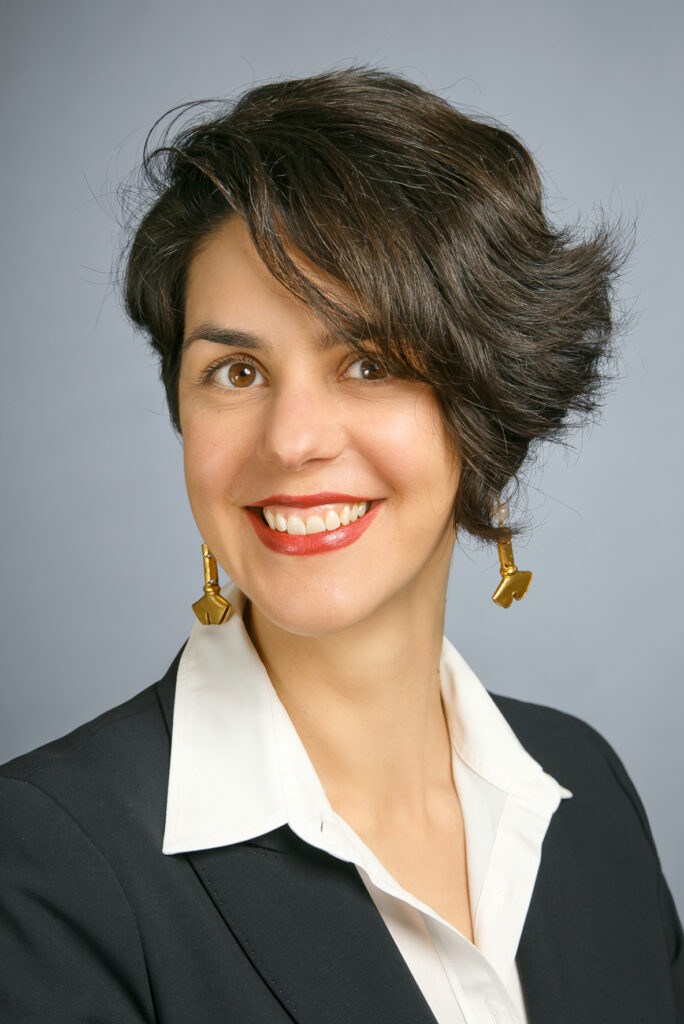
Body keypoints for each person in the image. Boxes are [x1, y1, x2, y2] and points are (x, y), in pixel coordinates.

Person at [0, 67, 681, 1024]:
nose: (291, 442)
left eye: (367, 362)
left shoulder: (586, 788)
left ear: (488, 404)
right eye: (236, 371)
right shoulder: (45, 860)